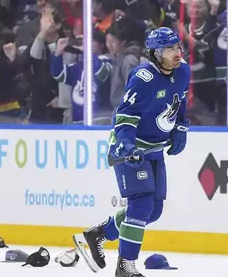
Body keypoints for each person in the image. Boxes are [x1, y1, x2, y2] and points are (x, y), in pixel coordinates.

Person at [73, 27, 191, 277]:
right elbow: (124, 119)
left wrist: (181, 126)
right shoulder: (143, 77)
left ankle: (98, 234)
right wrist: (128, 146)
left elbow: (179, 102)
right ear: (156, 53)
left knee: (154, 210)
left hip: (155, 149)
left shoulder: (183, 71)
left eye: (177, 46)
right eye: (170, 49)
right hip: (129, 147)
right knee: (140, 206)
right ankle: (126, 267)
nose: (177, 52)